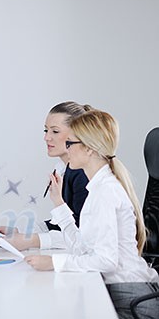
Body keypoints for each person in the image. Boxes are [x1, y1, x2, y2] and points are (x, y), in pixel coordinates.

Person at [24, 110, 159, 319]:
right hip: (121, 292)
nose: (66, 150)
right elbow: (85, 249)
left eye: (69, 144)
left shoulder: (105, 192)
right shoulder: (97, 188)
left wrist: (55, 263)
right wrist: (59, 204)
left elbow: (106, 260)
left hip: (132, 299)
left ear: (88, 149)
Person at [0, 101, 92, 248]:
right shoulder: (65, 170)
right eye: (46, 131)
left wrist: (32, 240)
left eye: (55, 131)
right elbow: (63, 225)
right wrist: (20, 232)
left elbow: (84, 236)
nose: (47, 138)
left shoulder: (84, 175)